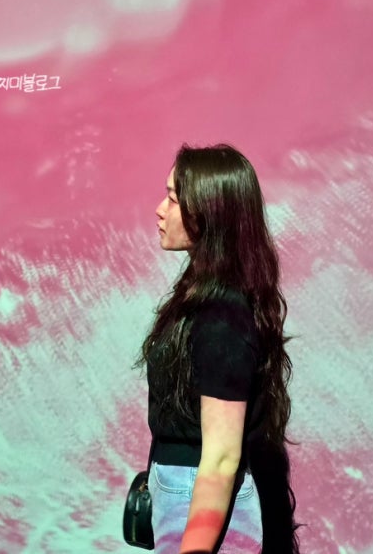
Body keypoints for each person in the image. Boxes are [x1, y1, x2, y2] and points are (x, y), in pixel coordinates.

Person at [135, 143, 300, 554]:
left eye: (173, 199)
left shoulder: (222, 319)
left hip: (199, 503)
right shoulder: (204, 298)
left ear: (206, 212)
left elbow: (223, 456)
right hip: (185, 495)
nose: (160, 210)